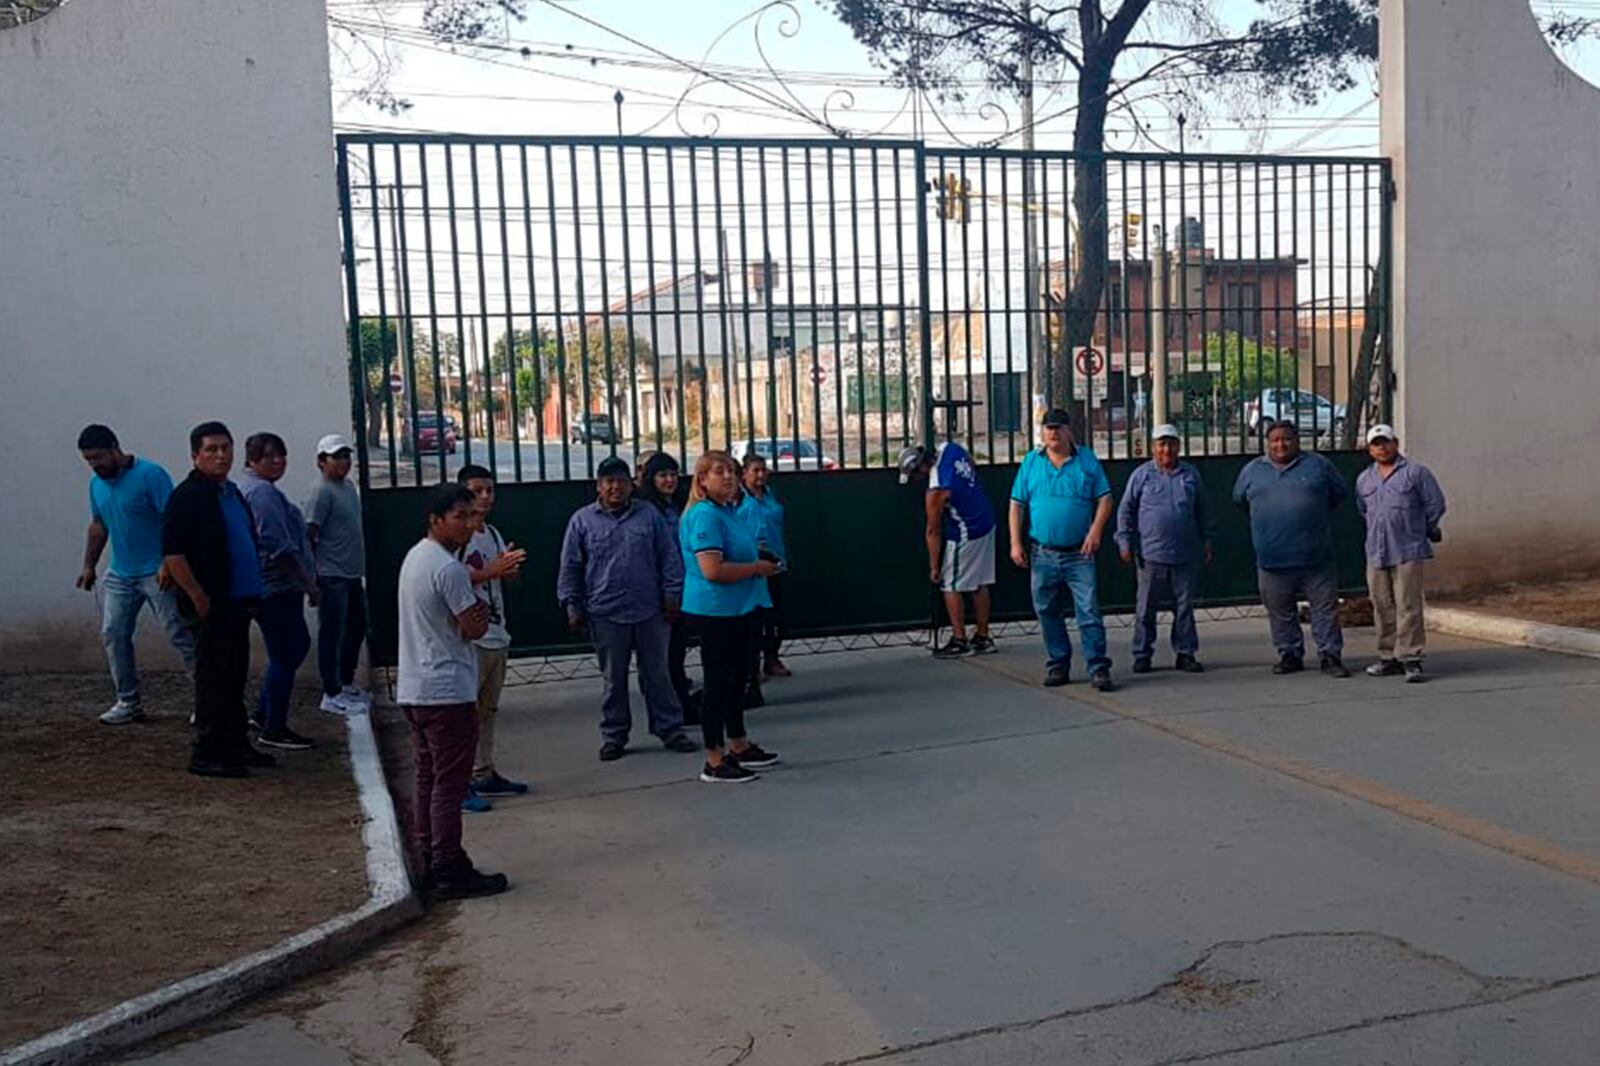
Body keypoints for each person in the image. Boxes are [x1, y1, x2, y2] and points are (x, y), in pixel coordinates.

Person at [396, 483, 508, 900]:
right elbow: (474, 626)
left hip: (417, 687)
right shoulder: (448, 569)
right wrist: (477, 611)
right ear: (435, 520)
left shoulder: (415, 558)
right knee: (450, 784)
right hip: (445, 689)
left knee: (429, 777)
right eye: (457, 516)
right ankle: (447, 863)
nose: (465, 524)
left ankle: (429, 855)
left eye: (469, 516)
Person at [557, 457, 699, 762]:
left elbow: (669, 558)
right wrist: (571, 604)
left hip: (651, 611)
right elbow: (570, 566)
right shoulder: (582, 521)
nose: (615, 487)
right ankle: (614, 735)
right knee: (614, 678)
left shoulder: (649, 516)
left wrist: (672, 596)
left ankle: (670, 729)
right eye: (608, 481)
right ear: (598, 486)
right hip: (605, 612)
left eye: (620, 480)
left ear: (631, 484)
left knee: (658, 674)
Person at [161, 421, 274, 778]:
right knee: (213, 679)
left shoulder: (231, 492)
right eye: (211, 449)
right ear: (196, 455)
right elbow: (173, 553)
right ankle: (207, 751)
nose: (220, 455)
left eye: (225, 447)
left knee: (233, 675)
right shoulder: (188, 497)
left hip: (237, 600)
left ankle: (236, 743)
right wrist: (197, 595)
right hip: (209, 604)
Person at [75, 424, 197, 725]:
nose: (95, 464)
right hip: (120, 573)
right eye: (88, 459)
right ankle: (127, 701)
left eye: (98, 457)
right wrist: (89, 565)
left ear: (115, 448)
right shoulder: (97, 484)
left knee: (180, 634)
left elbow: (174, 521)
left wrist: (168, 564)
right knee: (113, 634)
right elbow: (99, 524)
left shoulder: (151, 475)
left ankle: (206, 699)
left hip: (157, 572)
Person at [679, 452, 782, 783]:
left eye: (732, 472)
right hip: (715, 610)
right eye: (719, 472)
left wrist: (760, 560)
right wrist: (756, 568)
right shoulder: (705, 515)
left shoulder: (729, 512)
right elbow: (712, 569)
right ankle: (714, 758)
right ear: (702, 480)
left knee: (738, 679)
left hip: (740, 607)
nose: (728, 478)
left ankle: (738, 744)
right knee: (718, 682)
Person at [1232, 420, 1351, 678]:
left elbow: (1339, 494)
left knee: (1324, 610)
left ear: (1297, 440)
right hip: (1272, 559)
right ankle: (1289, 654)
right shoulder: (1252, 471)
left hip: (1316, 558)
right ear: (1267, 443)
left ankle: (1330, 656)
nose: (1280, 444)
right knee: (1280, 611)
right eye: (1274, 439)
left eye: (1286, 439)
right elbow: (1240, 500)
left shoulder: (1318, 465)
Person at [1008, 408, 1117, 691]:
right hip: (1042, 553)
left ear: (1069, 431)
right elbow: (1016, 506)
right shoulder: (1032, 462)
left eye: (1057, 428)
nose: (1052, 433)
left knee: (1088, 611)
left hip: (1079, 554)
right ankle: (1058, 664)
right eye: (1048, 428)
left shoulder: (1086, 461)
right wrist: (1015, 543)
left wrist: (1095, 530)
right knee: (1047, 610)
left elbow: (1105, 499)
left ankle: (1098, 667)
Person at [455, 464, 530, 807]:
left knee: (489, 709)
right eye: (477, 491)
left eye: (489, 490)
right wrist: (491, 570)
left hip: (497, 631)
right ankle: (461, 781)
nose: (485, 497)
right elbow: (452, 580)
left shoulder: (492, 533)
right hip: (472, 637)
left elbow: (502, 579)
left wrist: (508, 568)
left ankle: (484, 771)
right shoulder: (457, 537)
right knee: (465, 713)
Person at [239, 432, 319, 750]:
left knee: (290, 648)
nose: (278, 461)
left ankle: (264, 711)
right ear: (253, 459)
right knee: (288, 650)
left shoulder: (252, 488)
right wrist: (307, 583)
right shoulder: (261, 493)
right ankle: (274, 725)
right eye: (269, 456)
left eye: (281, 455)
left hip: (268, 584)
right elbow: (278, 545)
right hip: (276, 586)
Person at [1115, 424, 1216, 675]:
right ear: (1153, 447)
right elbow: (1126, 511)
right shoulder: (1141, 476)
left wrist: (1207, 541)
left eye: (1171, 443)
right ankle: (1142, 654)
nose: (1166, 449)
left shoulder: (1190, 475)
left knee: (1184, 608)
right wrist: (1124, 542)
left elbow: (1203, 511)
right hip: (1150, 556)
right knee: (1145, 609)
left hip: (1185, 554)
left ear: (1178, 447)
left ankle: (1185, 653)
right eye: (1161, 444)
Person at [1356, 424, 1447, 683]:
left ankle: (1411, 657)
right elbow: (1363, 509)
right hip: (1375, 550)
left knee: (1408, 605)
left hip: (1407, 548)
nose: (1381, 448)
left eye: (1386, 442)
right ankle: (1388, 657)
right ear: (1369, 449)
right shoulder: (1364, 479)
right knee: (1382, 605)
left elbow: (1435, 504)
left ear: (1395, 443)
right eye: (1376, 444)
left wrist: (1421, 528)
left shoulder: (1416, 473)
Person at [897, 439, 997, 658]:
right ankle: (982, 636)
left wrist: (934, 566)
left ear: (921, 467)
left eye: (915, 475)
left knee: (949, 584)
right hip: (986, 520)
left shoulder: (936, 488)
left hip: (966, 529)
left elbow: (933, 530)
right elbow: (971, 461)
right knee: (980, 582)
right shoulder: (949, 448)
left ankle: (960, 640)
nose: (917, 480)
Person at [304, 434, 370, 715]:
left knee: (356, 627)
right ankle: (331, 691)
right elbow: (309, 534)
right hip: (331, 574)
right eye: (337, 456)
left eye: (346, 455)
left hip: (351, 573)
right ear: (321, 461)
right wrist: (312, 579)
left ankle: (345, 681)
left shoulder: (348, 486)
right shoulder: (321, 491)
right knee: (332, 632)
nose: (344, 461)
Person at [636, 451, 700, 725]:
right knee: (662, 657)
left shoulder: (679, 506)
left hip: (685, 586)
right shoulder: (645, 510)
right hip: (659, 590)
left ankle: (680, 701)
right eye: (663, 475)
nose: (670, 480)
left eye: (673, 474)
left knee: (677, 652)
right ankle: (672, 709)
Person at [737, 452, 792, 686]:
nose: (760, 475)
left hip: (775, 560)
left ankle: (772, 658)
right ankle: (751, 665)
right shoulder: (739, 498)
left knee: (776, 614)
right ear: (744, 474)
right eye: (755, 470)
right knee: (754, 617)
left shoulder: (769, 494)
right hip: (751, 565)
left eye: (763, 470)